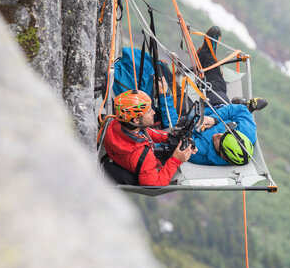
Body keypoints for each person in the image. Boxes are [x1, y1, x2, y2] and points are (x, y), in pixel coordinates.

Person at [157, 25, 268, 166]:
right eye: (225, 132)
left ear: (222, 154)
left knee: (167, 82)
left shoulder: (198, 152)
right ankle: (206, 53)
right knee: (216, 82)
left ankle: (165, 80)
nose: (218, 134)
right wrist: (214, 119)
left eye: (219, 139)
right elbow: (240, 111)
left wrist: (164, 95)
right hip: (215, 109)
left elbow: (173, 129)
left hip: (188, 120)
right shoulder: (246, 132)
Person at [103, 84, 197, 186]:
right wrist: (176, 160)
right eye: (148, 111)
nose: (153, 112)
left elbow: (147, 132)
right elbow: (154, 185)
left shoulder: (115, 124)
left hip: (118, 164)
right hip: (142, 171)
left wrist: (170, 137)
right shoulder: (144, 156)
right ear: (136, 120)